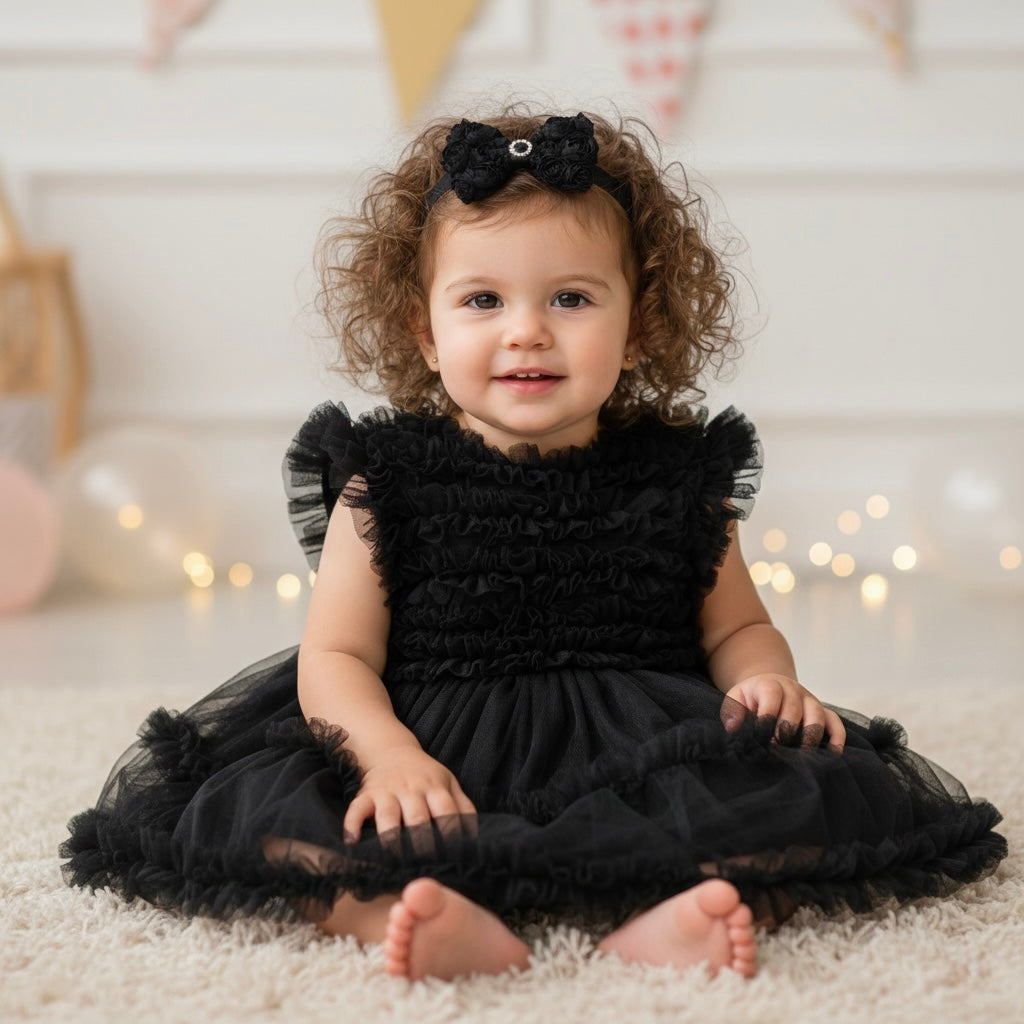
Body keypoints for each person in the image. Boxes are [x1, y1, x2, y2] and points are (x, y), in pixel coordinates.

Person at [61, 106, 1006, 983]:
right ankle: (413, 914)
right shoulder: (381, 483)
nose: (526, 332)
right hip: (431, 742)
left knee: (821, 800)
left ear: (640, 325)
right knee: (271, 828)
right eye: (481, 300)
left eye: (570, 298)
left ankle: (668, 917)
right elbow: (338, 654)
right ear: (422, 333)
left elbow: (735, 630)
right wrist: (387, 756)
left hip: (641, 742)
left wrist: (767, 680)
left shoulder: (677, 479)